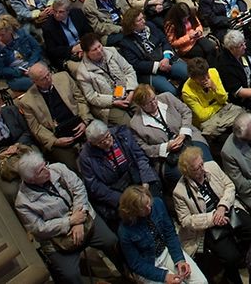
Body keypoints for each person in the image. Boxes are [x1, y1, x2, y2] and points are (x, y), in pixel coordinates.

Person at [14, 153, 122, 284]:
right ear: (31, 179)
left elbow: (79, 189)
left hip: (83, 217)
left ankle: (127, 273)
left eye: (45, 165)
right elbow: (39, 228)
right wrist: (70, 221)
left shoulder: (58, 169)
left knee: (111, 241)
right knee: (70, 275)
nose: (47, 170)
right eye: (40, 171)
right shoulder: (23, 202)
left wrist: (78, 221)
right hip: (57, 239)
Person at [172, 146, 251, 284]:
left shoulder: (212, 166)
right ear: (187, 172)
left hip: (228, 209)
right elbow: (185, 221)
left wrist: (222, 206)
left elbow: (230, 186)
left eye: (201, 164)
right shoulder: (179, 192)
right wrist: (213, 218)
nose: (202, 169)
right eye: (197, 168)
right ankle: (234, 279)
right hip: (208, 226)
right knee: (230, 258)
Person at [117, 184, 209, 284]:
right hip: (149, 264)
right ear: (133, 211)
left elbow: (170, 234)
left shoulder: (157, 203)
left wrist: (180, 260)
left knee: (201, 281)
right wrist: (164, 276)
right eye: (143, 208)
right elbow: (137, 264)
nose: (149, 208)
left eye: (148, 202)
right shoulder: (125, 231)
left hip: (166, 250)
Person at [78, 120, 161, 225]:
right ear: (93, 143)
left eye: (107, 136)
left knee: (154, 196)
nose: (107, 142)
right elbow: (95, 186)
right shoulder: (86, 157)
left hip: (135, 177)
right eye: (101, 142)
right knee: (131, 211)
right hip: (114, 190)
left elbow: (140, 157)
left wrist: (145, 182)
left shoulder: (122, 134)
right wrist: (122, 199)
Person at [16, 62, 92, 169]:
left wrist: (84, 120)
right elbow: (36, 128)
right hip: (57, 135)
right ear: (34, 81)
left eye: (48, 74)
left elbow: (80, 100)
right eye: (43, 78)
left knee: (101, 138)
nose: (48, 78)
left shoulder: (63, 77)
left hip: (79, 122)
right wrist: (55, 141)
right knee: (70, 168)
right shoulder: (27, 101)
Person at [75, 32, 139, 124]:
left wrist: (131, 91)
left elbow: (128, 70)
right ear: (87, 53)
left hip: (127, 91)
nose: (99, 51)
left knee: (144, 110)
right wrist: (114, 101)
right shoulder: (82, 72)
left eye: (99, 46)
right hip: (108, 105)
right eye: (94, 50)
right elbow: (92, 97)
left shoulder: (111, 51)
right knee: (129, 124)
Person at [0, 16, 43, 91]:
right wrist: (19, 71)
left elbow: (36, 48)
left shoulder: (21, 33)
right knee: (34, 83)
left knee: (42, 75)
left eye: (2, 35)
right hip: (15, 75)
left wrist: (31, 65)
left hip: (32, 63)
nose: (0, 38)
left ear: (10, 31)